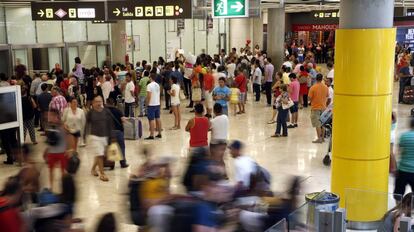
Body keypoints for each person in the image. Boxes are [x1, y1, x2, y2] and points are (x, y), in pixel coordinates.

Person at [85, 95, 113, 182]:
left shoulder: (106, 111)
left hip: (104, 136)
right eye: (96, 101)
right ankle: (102, 174)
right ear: (93, 103)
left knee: (100, 154)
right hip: (94, 136)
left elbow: (110, 124)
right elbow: (87, 125)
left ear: (102, 102)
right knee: (100, 155)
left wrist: (111, 137)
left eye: (100, 101)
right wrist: (84, 136)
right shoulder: (90, 112)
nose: (98, 103)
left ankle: (93, 169)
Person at [45, 109, 68, 190]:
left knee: (63, 171)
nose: (49, 117)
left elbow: (67, 137)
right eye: (49, 115)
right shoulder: (48, 126)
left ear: (57, 116)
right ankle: (51, 187)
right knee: (51, 171)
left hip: (62, 152)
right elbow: (48, 140)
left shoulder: (62, 126)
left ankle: (64, 187)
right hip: (52, 152)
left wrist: (68, 150)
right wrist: (47, 151)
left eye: (51, 115)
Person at [106, 98, 129, 168]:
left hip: (109, 132)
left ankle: (111, 164)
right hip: (119, 131)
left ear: (106, 103)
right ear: (113, 103)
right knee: (121, 147)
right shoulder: (118, 110)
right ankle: (123, 163)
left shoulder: (104, 111)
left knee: (111, 147)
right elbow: (123, 120)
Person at [308, 74, 329, 143]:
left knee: (317, 124)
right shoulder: (326, 87)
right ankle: (322, 138)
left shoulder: (313, 87)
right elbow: (327, 96)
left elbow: (309, 98)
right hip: (323, 107)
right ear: (322, 79)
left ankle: (319, 138)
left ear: (316, 79)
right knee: (322, 123)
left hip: (315, 107)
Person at [145, 72, 162, 140]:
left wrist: (147, 103)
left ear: (150, 78)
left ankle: (152, 135)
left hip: (151, 104)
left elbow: (149, 96)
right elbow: (159, 94)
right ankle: (159, 133)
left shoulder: (149, 85)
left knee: (151, 119)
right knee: (158, 118)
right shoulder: (157, 85)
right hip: (157, 103)